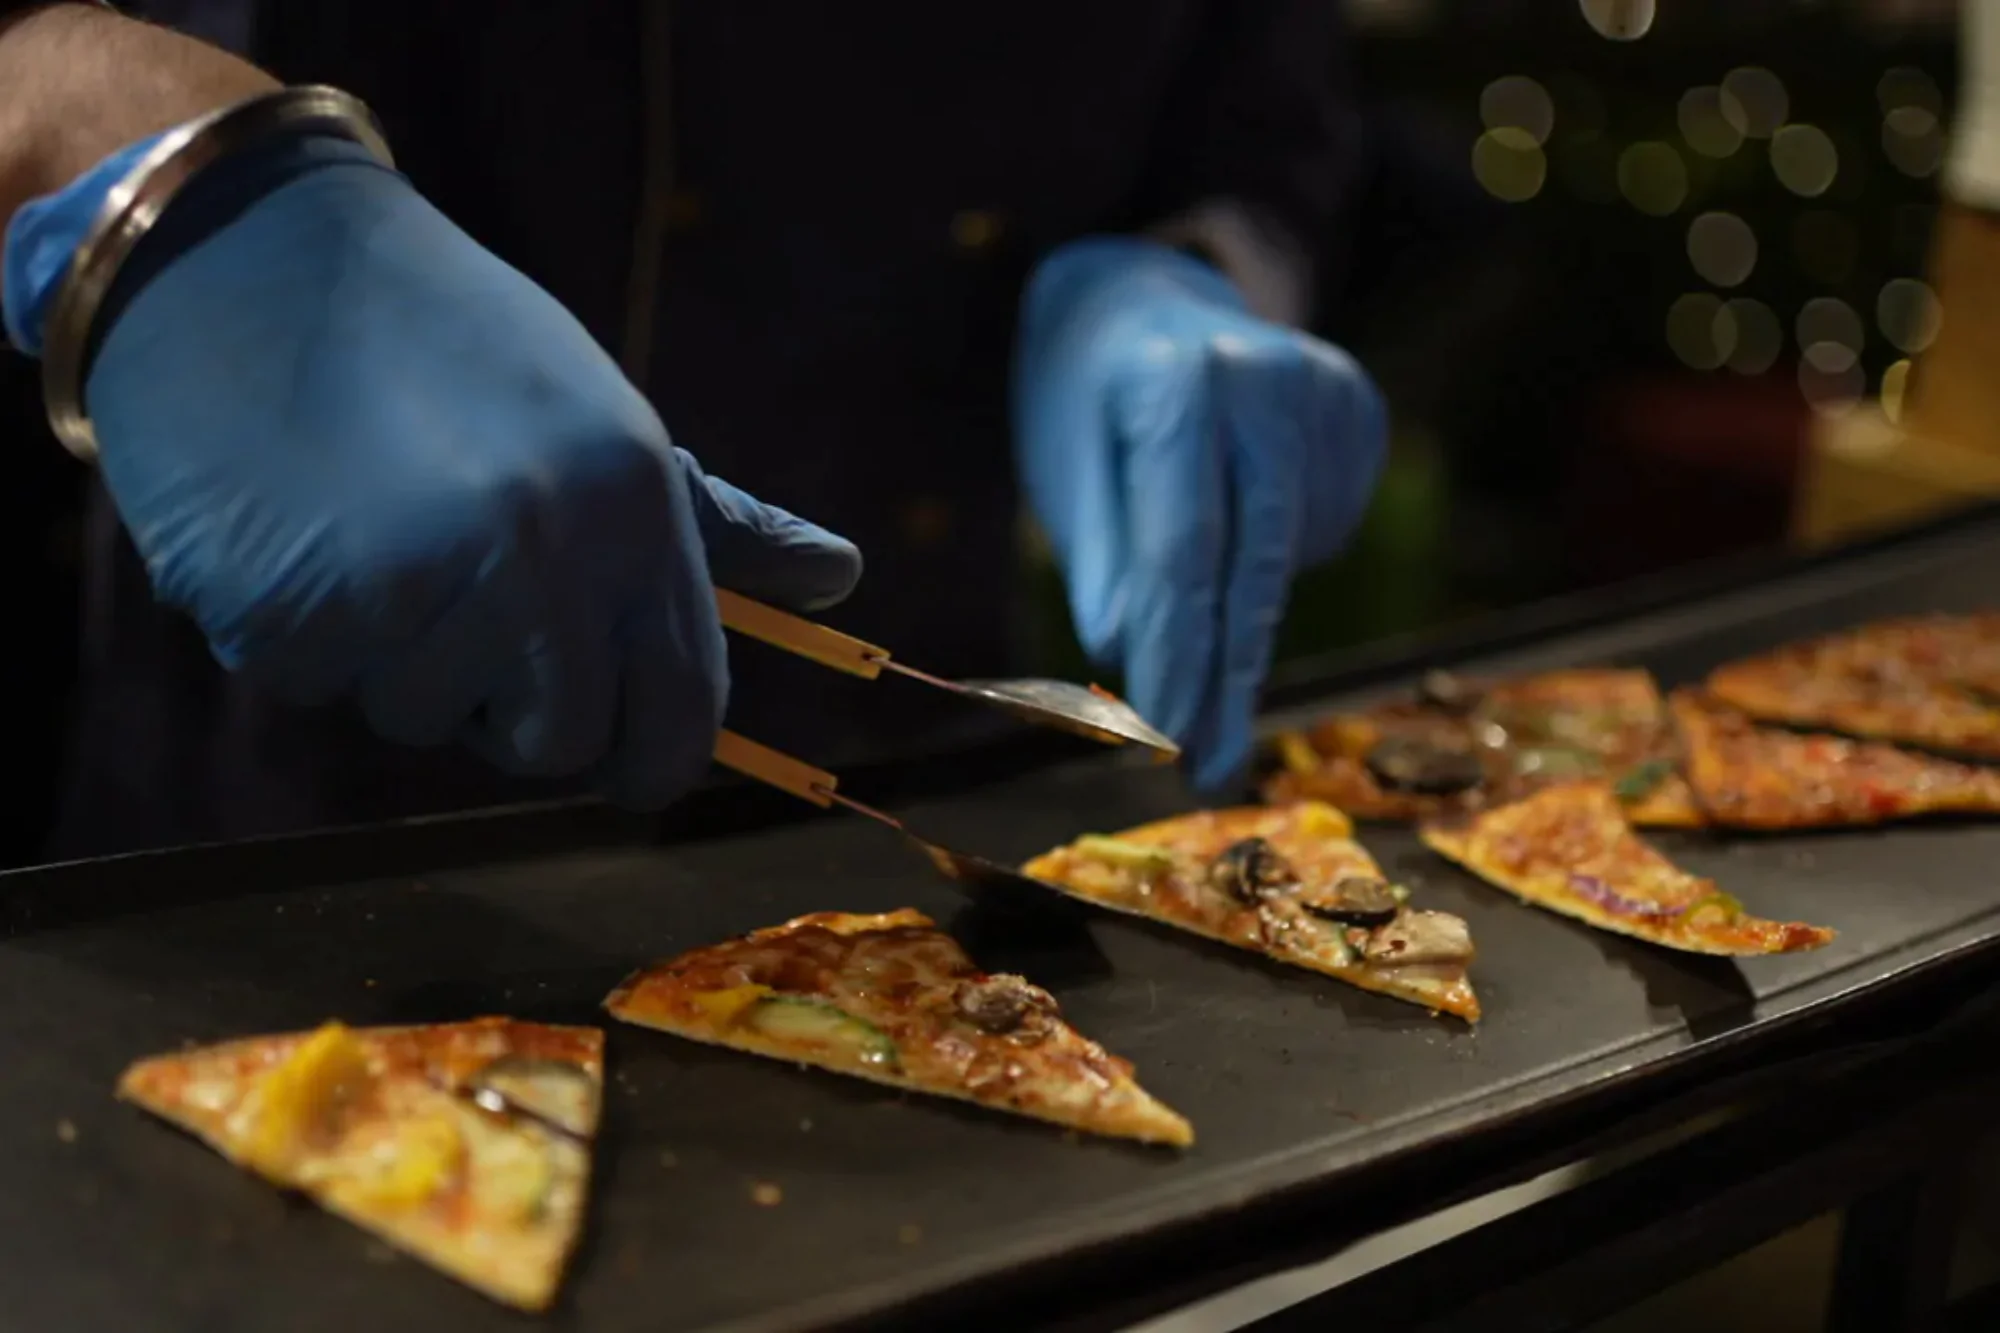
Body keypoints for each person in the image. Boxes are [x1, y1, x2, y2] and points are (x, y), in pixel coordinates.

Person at [0, 0, 1387, 858]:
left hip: (919, 745)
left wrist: (1198, 268)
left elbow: (1266, 102)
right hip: (310, 786)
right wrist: (98, 141)